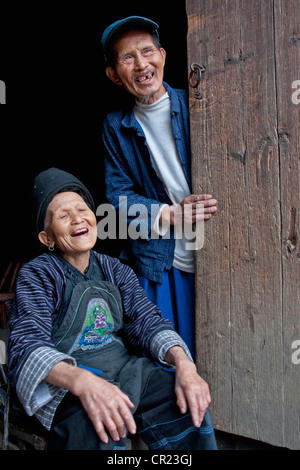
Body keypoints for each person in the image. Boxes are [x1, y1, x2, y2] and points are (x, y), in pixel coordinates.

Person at [7, 167, 217, 450]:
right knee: (97, 427)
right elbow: (27, 345)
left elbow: (148, 322)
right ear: (47, 238)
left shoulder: (115, 269)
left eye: (82, 209)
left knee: (184, 403)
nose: (77, 219)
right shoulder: (38, 275)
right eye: (63, 215)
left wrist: (185, 365)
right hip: (69, 383)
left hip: (126, 372)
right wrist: (83, 382)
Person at [101, 17, 218, 357]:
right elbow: (117, 199)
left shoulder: (201, 106)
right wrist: (171, 214)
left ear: (163, 56)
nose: (141, 65)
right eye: (127, 58)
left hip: (223, 254)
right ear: (113, 74)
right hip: (163, 263)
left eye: (147, 51)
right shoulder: (116, 127)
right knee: (170, 361)